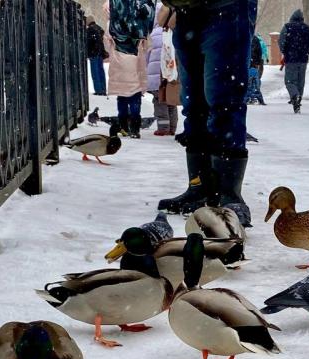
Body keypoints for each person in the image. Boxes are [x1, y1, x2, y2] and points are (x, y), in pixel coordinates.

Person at [156, 0, 256, 227]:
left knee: (225, 101)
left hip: (226, 7)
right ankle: (199, 187)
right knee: (193, 104)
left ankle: (227, 194)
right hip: (185, 9)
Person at [106, 0, 154, 138]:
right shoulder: (139, 24)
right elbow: (147, 45)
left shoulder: (113, 25)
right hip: (135, 67)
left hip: (119, 68)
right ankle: (135, 128)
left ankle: (123, 126)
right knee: (135, 100)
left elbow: (106, 43)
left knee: (122, 99)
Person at [147, 4, 179, 135]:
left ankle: (163, 128)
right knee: (171, 99)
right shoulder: (173, 32)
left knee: (159, 101)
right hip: (171, 72)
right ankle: (173, 127)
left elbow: (147, 55)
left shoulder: (153, 34)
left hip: (157, 74)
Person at [279, 9, 309, 113]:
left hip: (291, 59)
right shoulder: (307, 29)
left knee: (289, 81)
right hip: (303, 59)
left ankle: (295, 96)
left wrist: (285, 51)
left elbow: (281, 41)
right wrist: (306, 52)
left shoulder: (287, 27)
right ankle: (297, 102)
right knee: (300, 81)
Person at [86, 16, 108, 96]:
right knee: (101, 71)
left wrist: (88, 52)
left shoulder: (90, 30)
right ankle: (103, 89)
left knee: (95, 73)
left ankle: (98, 90)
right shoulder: (99, 29)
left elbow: (89, 43)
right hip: (100, 53)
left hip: (93, 53)